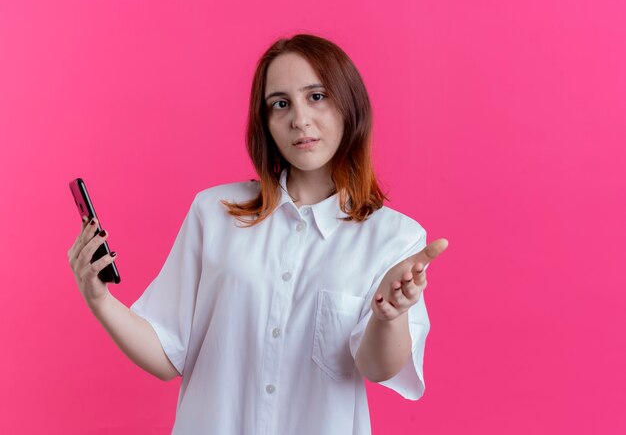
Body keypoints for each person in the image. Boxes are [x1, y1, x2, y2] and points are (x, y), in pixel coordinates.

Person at [68, 33, 448, 435]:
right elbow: (167, 353)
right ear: (265, 122)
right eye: (280, 104)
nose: (299, 119)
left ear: (348, 104)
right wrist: (100, 300)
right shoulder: (212, 213)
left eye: (316, 96)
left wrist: (389, 315)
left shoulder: (394, 237)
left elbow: (376, 367)